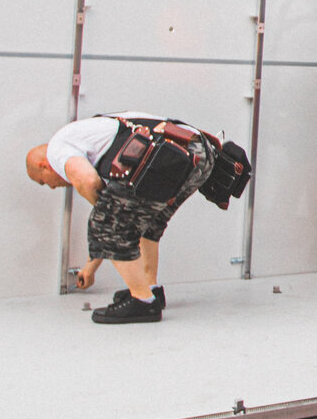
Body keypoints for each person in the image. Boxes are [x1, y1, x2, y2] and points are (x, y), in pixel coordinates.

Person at [26, 113, 220, 324]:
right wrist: (91, 267)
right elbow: (123, 217)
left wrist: (108, 217)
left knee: (107, 223)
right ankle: (150, 290)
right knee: (147, 223)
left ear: (43, 166)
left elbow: (88, 182)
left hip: (166, 156)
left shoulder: (56, 148)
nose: (52, 187)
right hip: (199, 152)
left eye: (43, 182)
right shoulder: (89, 130)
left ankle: (143, 301)